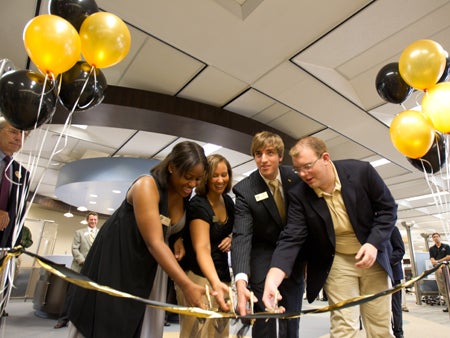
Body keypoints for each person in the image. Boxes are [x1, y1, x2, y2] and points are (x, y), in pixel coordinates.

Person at [67, 141, 208, 338]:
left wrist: (178, 239)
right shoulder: (146, 185)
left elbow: (170, 229)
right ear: (171, 167)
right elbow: (154, 242)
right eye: (188, 177)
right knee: (109, 319)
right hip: (120, 261)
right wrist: (186, 285)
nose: (192, 184)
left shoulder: (183, 194)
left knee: (144, 324)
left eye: (198, 179)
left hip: (151, 267)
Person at [263, 136, 397, 338]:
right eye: (298, 169)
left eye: (307, 166)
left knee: (379, 326)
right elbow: (292, 237)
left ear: (325, 158)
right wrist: (272, 280)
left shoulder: (362, 172)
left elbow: (388, 210)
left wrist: (373, 243)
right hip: (337, 261)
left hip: (372, 257)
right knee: (344, 328)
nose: (303, 174)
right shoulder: (300, 194)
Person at [231, 131, 304, 338]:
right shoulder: (244, 190)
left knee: (291, 321)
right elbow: (242, 236)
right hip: (262, 260)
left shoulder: (296, 178)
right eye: (258, 154)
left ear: (280, 156)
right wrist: (241, 281)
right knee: (265, 323)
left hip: (292, 259)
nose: (263, 160)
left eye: (270, 153)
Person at [177, 154, 234, 338]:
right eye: (215, 175)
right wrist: (215, 283)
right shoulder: (198, 204)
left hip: (222, 275)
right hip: (198, 277)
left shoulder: (228, 202)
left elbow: (238, 230)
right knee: (195, 333)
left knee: (220, 332)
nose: (220, 180)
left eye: (224, 174)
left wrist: (232, 237)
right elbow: (202, 249)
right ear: (206, 177)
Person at [0, 117, 30, 318]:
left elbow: (17, 214)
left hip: (3, 249)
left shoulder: (23, 173)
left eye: (22, 135)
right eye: (13, 131)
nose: (19, 138)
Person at [54, 212, 99, 329]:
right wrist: (83, 261)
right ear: (87, 220)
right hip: (78, 269)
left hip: (92, 270)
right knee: (71, 295)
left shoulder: (100, 234)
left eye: (95, 219)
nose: (93, 221)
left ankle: (85, 321)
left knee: (90, 296)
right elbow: (74, 249)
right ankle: (63, 319)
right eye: (91, 219)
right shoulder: (79, 233)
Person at [389, 226, 405, 338]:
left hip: (394, 274)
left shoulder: (393, 229)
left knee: (396, 306)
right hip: (377, 275)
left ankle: (398, 332)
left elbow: (400, 250)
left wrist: (384, 261)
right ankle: (387, 329)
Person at [429, 232, 450, 312]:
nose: (436, 238)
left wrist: (438, 261)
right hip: (437, 269)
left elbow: (448, 257)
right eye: (434, 237)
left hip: (446, 268)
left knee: (448, 287)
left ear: (440, 237)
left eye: (437, 236)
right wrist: (436, 263)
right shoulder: (432, 249)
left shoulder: (446, 246)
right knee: (442, 288)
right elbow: (432, 259)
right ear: (433, 239)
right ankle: (448, 305)